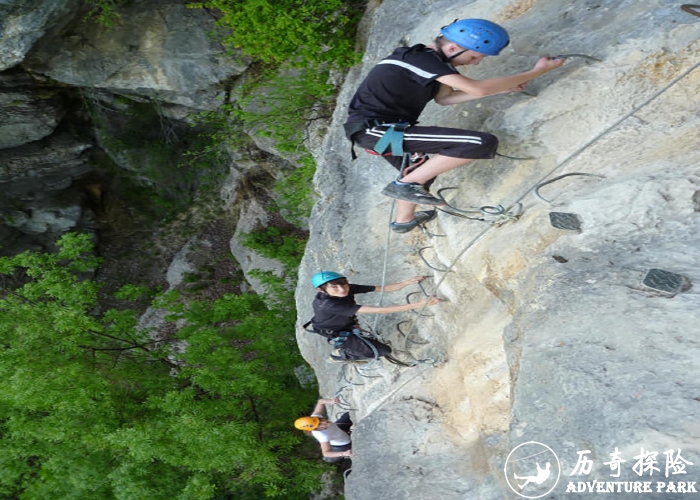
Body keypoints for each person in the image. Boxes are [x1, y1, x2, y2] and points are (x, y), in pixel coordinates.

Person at [343, 18, 566, 233]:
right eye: (473, 57)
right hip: (375, 129)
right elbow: (478, 89)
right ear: (452, 48)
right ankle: (403, 186)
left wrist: (503, 88)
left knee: (420, 172)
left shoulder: (430, 64)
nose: (476, 63)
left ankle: (404, 221)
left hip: (383, 130)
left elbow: (445, 98)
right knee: (480, 143)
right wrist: (539, 71)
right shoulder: (418, 59)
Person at [309, 271, 442, 335]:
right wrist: (418, 304)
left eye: (343, 284)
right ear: (322, 290)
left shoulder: (346, 287)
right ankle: (340, 354)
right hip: (333, 330)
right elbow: (380, 310)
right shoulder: (329, 304)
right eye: (334, 287)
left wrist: (407, 282)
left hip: (345, 322)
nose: (342, 289)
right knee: (380, 351)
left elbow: (383, 288)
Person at [294, 397, 353, 462]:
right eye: (319, 424)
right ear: (315, 429)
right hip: (344, 443)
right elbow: (326, 453)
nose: (324, 422)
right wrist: (343, 453)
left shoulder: (315, 417)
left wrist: (331, 401)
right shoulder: (322, 435)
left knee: (349, 414)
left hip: (339, 429)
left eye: (320, 420)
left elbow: (320, 402)